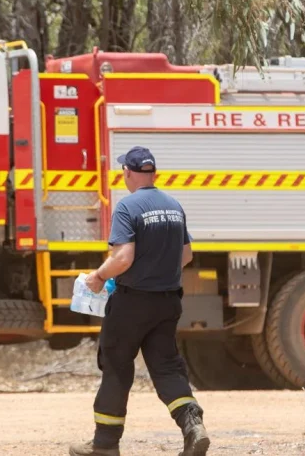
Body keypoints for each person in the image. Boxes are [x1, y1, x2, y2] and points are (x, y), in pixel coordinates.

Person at [69, 146, 210, 456]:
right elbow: (185, 255)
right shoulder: (174, 206)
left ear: (128, 173)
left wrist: (96, 277)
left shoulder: (127, 207)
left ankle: (105, 444)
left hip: (132, 303)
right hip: (167, 302)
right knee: (167, 368)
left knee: (117, 367)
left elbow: (123, 256)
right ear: (154, 173)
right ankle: (193, 425)